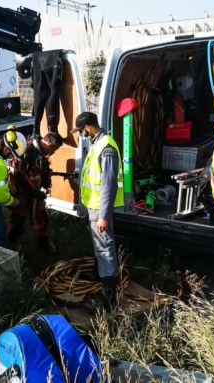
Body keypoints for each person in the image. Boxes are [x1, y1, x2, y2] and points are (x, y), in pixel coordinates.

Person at [70, 112, 124, 310]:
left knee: (105, 247)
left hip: (100, 209)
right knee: (99, 245)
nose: (81, 134)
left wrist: (103, 216)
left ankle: (109, 296)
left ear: (87, 127)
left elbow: (108, 185)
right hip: (93, 206)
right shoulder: (97, 142)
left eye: (81, 130)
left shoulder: (106, 148)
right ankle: (99, 274)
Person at [7, 131, 63, 251]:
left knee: (42, 219)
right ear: (49, 144)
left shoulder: (40, 153)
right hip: (22, 194)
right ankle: (8, 249)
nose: (53, 153)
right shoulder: (25, 151)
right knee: (17, 224)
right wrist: (30, 188)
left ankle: (43, 243)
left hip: (36, 193)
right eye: (54, 149)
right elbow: (17, 173)